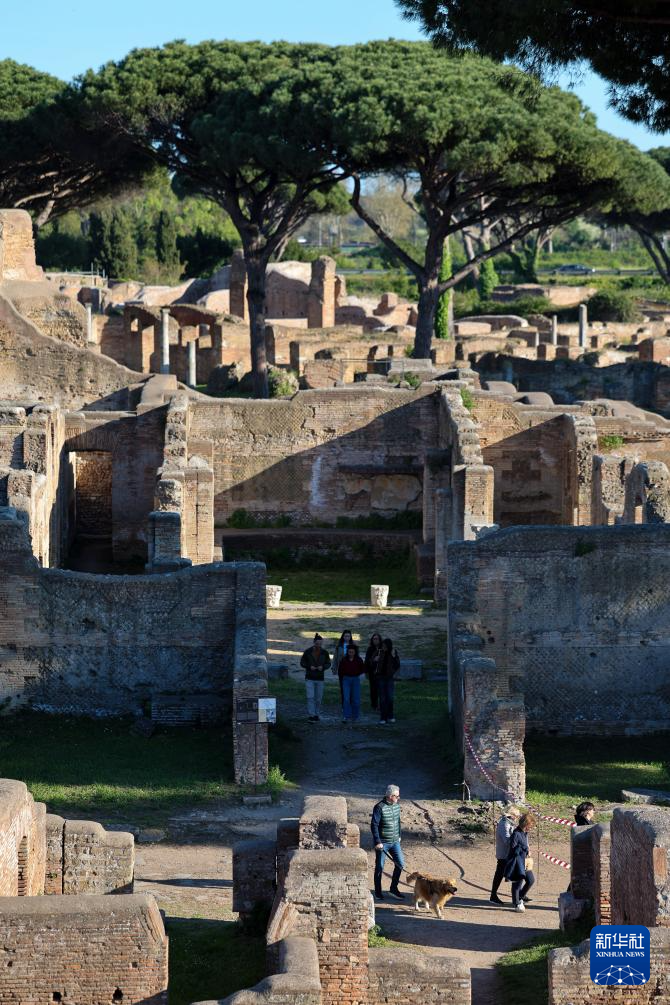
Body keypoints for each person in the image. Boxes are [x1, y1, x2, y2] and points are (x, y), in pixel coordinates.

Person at [371, 784, 405, 901]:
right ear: (390, 796)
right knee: (379, 867)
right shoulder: (379, 807)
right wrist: (377, 841)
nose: (398, 798)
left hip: (395, 842)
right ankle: (378, 892)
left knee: (400, 864)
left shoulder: (397, 806)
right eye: (397, 796)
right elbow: (374, 825)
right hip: (383, 843)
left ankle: (393, 889)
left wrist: (399, 835)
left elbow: (398, 822)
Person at [504, 812, 536, 912]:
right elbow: (513, 849)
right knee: (517, 884)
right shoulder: (516, 834)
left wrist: (527, 850)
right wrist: (525, 848)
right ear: (525, 824)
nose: (531, 828)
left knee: (530, 880)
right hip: (517, 862)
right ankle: (516, 903)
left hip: (525, 861)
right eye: (530, 826)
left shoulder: (525, 833)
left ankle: (520, 897)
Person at [489, 806, 521, 905]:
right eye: (516, 816)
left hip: (508, 853)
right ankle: (493, 896)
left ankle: (519, 894)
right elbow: (507, 840)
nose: (517, 818)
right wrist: (518, 840)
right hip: (504, 854)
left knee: (514, 872)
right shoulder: (504, 824)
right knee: (499, 874)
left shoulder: (509, 823)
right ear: (512, 815)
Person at [300, 633, 331, 723]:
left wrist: (323, 667)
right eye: (317, 643)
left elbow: (328, 663)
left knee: (318, 698)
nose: (319, 645)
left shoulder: (325, 652)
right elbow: (302, 662)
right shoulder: (307, 651)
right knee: (310, 697)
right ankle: (311, 715)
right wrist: (309, 667)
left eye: (320, 644)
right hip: (309, 677)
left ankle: (316, 714)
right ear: (314, 642)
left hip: (320, 678)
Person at [339, 643, 366, 723]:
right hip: (346, 680)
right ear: (347, 652)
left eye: (352, 652)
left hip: (355, 679)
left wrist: (357, 673)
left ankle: (355, 716)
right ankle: (346, 716)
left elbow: (363, 669)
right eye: (349, 652)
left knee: (356, 699)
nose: (351, 653)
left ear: (355, 652)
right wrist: (343, 677)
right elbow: (340, 670)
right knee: (346, 698)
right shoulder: (344, 660)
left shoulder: (359, 660)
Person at [378, 638, 400, 724]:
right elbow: (372, 662)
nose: (383, 647)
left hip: (390, 678)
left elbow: (397, 665)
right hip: (381, 678)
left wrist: (394, 657)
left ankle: (390, 715)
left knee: (390, 697)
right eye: (382, 645)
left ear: (388, 646)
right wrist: (374, 660)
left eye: (385, 646)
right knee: (382, 698)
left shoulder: (393, 652)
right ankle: (383, 717)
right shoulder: (379, 652)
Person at [332, 629, 354, 706]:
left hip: (352, 670)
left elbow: (357, 658)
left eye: (348, 636)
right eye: (345, 636)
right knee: (343, 688)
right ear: (343, 637)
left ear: (350, 637)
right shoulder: (339, 646)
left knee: (351, 688)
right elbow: (335, 658)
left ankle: (350, 704)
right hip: (342, 670)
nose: (347, 637)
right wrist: (334, 668)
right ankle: (344, 705)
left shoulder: (353, 646)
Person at [364, 632, 383, 711]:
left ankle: (381, 704)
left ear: (380, 640)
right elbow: (366, 661)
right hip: (372, 672)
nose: (375, 640)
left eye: (377, 639)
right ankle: (374, 705)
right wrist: (373, 660)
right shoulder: (370, 649)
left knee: (381, 689)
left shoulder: (383, 648)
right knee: (373, 689)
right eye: (374, 639)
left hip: (381, 672)